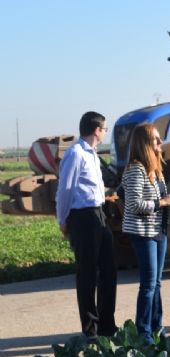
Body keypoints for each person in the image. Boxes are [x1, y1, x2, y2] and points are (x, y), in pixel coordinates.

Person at [56, 111, 118, 342]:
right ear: (96, 130)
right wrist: (62, 220)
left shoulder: (92, 154)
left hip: (99, 214)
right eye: (104, 128)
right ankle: (90, 328)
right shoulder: (76, 153)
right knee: (87, 274)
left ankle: (107, 325)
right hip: (82, 217)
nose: (105, 132)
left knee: (109, 271)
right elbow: (66, 190)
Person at [121, 123, 170, 344]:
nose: (160, 142)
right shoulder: (136, 169)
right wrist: (162, 202)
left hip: (157, 230)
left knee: (157, 282)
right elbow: (133, 204)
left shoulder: (156, 170)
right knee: (149, 283)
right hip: (143, 232)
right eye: (155, 139)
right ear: (144, 144)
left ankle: (157, 326)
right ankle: (143, 332)